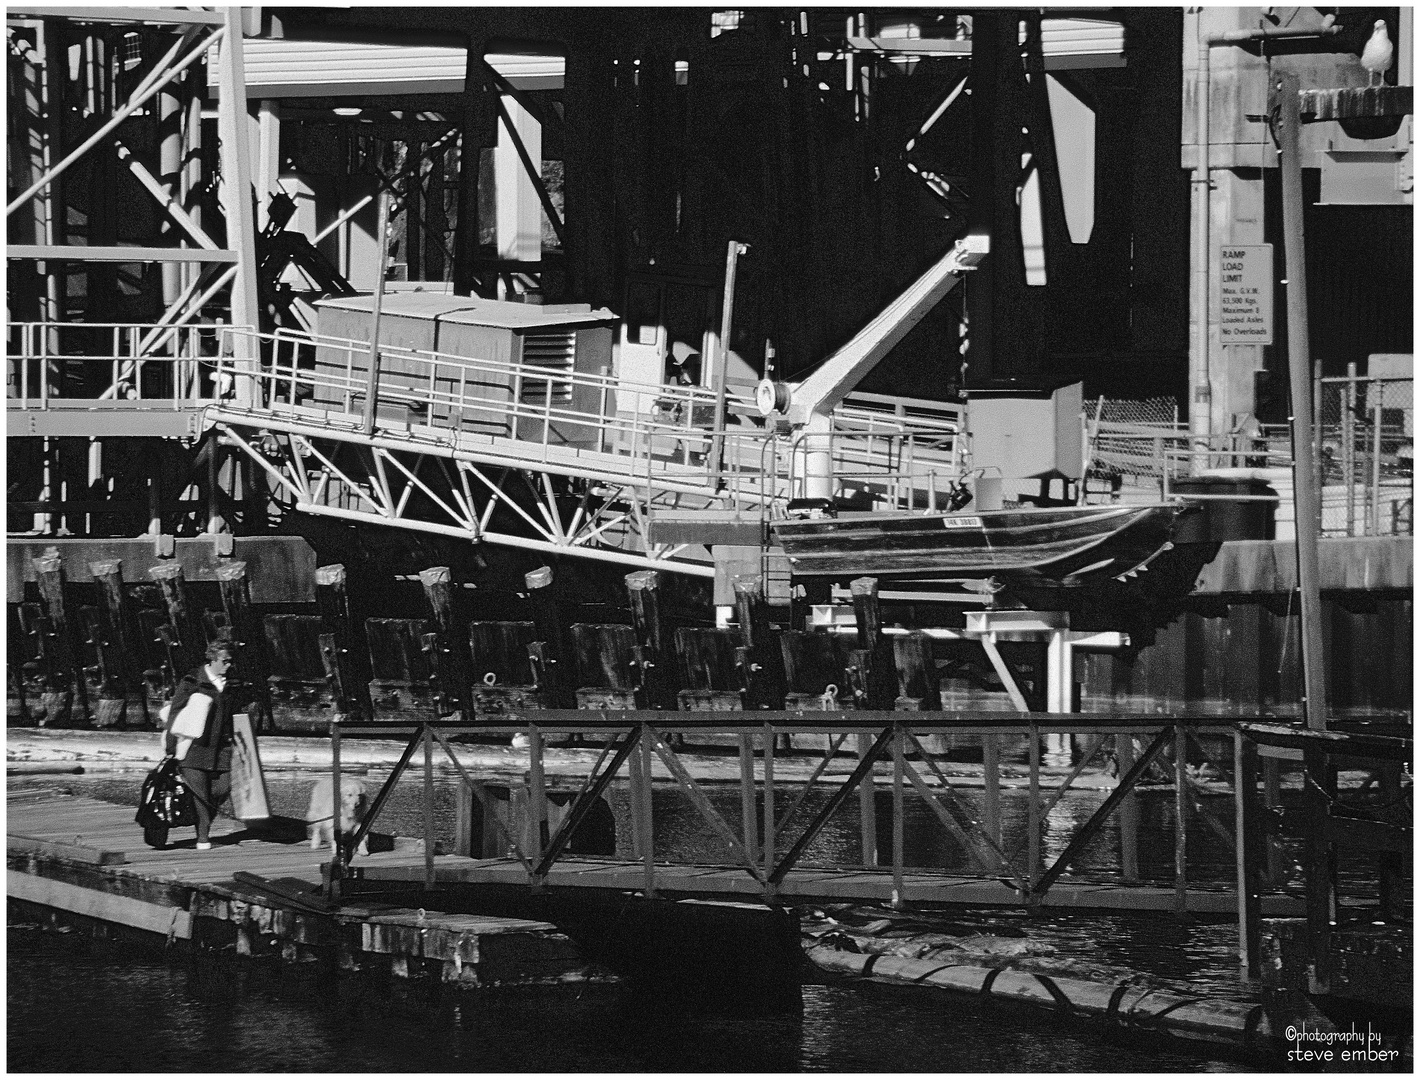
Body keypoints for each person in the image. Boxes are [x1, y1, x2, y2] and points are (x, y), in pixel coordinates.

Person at [164, 641, 240, 850]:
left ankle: (201, 824)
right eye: (225, 661)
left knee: (222, 788)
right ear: (213, 659)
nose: (229, 665)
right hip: (194, 749)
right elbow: (175, 713)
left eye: (231, 661)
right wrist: (172, 749)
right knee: (201, 794)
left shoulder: (231, 685)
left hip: (221, 749)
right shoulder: (192, 681)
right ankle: (203, 838)